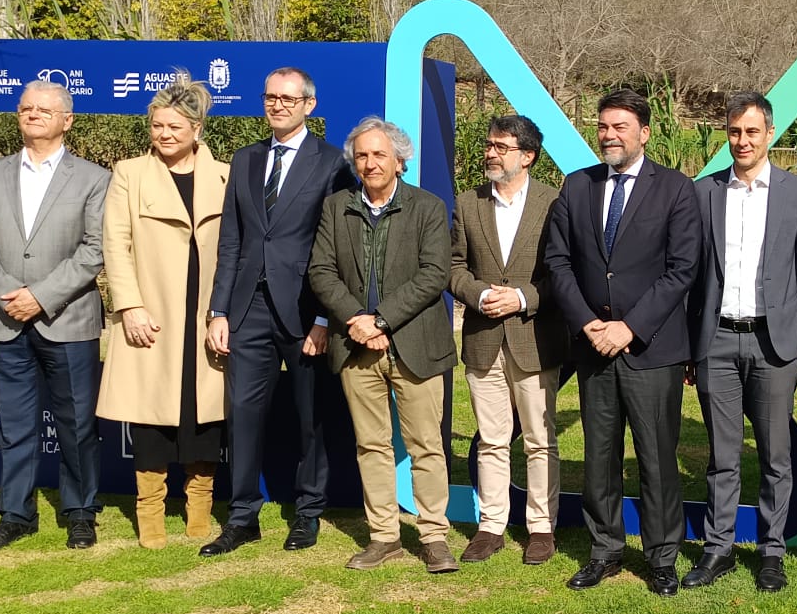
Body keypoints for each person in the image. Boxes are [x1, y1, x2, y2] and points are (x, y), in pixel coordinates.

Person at [540, 87, 702, 597]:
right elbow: (557, 262)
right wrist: (588, 323)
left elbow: (682, 270)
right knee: (598, 458)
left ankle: (660, 558)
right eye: (604, 126)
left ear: (644, 133)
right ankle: (605, 550)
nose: (609, 135)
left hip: (650, 350)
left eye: (620, 127)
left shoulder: (676, 189)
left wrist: (629, 328)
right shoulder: (577, 186)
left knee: (657, 459)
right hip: (593, 348)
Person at [203, 66, 354, 556]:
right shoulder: (245, 159)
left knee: (311, 415)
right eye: (270, 97)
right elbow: (232, 241)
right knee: (243, 414)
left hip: (307, 311)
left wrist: (327, 318)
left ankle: (308, 513)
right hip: (248, 309)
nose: (278, 105)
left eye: (289, 99)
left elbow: (339, 247)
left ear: (309, 104)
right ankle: (242, 516)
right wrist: (218, 309)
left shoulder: (332, 163)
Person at [0, 79, 111, 551]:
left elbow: (95, 250)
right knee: (16, 424)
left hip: (67, 319)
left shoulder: (94, 178)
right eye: (25, 107)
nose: (32, 114)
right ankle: (16, 514)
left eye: (44, 109)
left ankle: (80, 511)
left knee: (77, 424)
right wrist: (12, 294)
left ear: (67, 120)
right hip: (6, 320)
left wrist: (42, 296)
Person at [308, 117, 460, 574]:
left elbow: (434, 274)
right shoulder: (337, 207)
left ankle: (434, 536)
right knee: (370, 445)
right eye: (362, 156)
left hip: (413, 344)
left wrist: (381, 319)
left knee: (426, 445)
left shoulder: (428, 207)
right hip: (357, 347)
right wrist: (356, 321)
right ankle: (384, 536)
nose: (370, 163)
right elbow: (321, 271)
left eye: (379, 155)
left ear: (400, 160)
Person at [683, 92, 797, 593]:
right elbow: (692, 273)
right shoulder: (703, 193)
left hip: (772, 342)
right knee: (721, 454)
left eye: (752, 132)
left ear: (770, 134)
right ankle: (717, 548)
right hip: (715, 340)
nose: (742, 141)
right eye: (735, 132)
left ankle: (771, 552)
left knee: (774, 455)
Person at [97, 76, 231, 549]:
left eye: (175, 126)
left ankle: (200, 508)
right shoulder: (129, 173)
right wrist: (129, 305)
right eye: (157, 125)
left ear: (197, 129)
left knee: (206, 416)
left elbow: (238, 248)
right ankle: (149, 512)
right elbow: (115, 244)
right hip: (151, 317)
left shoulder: (226, 175)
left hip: (207, 316)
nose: (164, 133)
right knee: (150, 419)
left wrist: (227, 310)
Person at [449, 113, 565, 565]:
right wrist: (479, 294)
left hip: (534, 337)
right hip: (483, 339)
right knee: (492, 439)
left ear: (528, 155)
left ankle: (541, 527)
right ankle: (491, 525)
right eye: (490, 144)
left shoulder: (554, 203)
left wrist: (521, 297)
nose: (491, 153)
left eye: (501, 146)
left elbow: (561, 273)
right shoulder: (467, 202)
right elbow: (452, 266)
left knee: (539, 438)